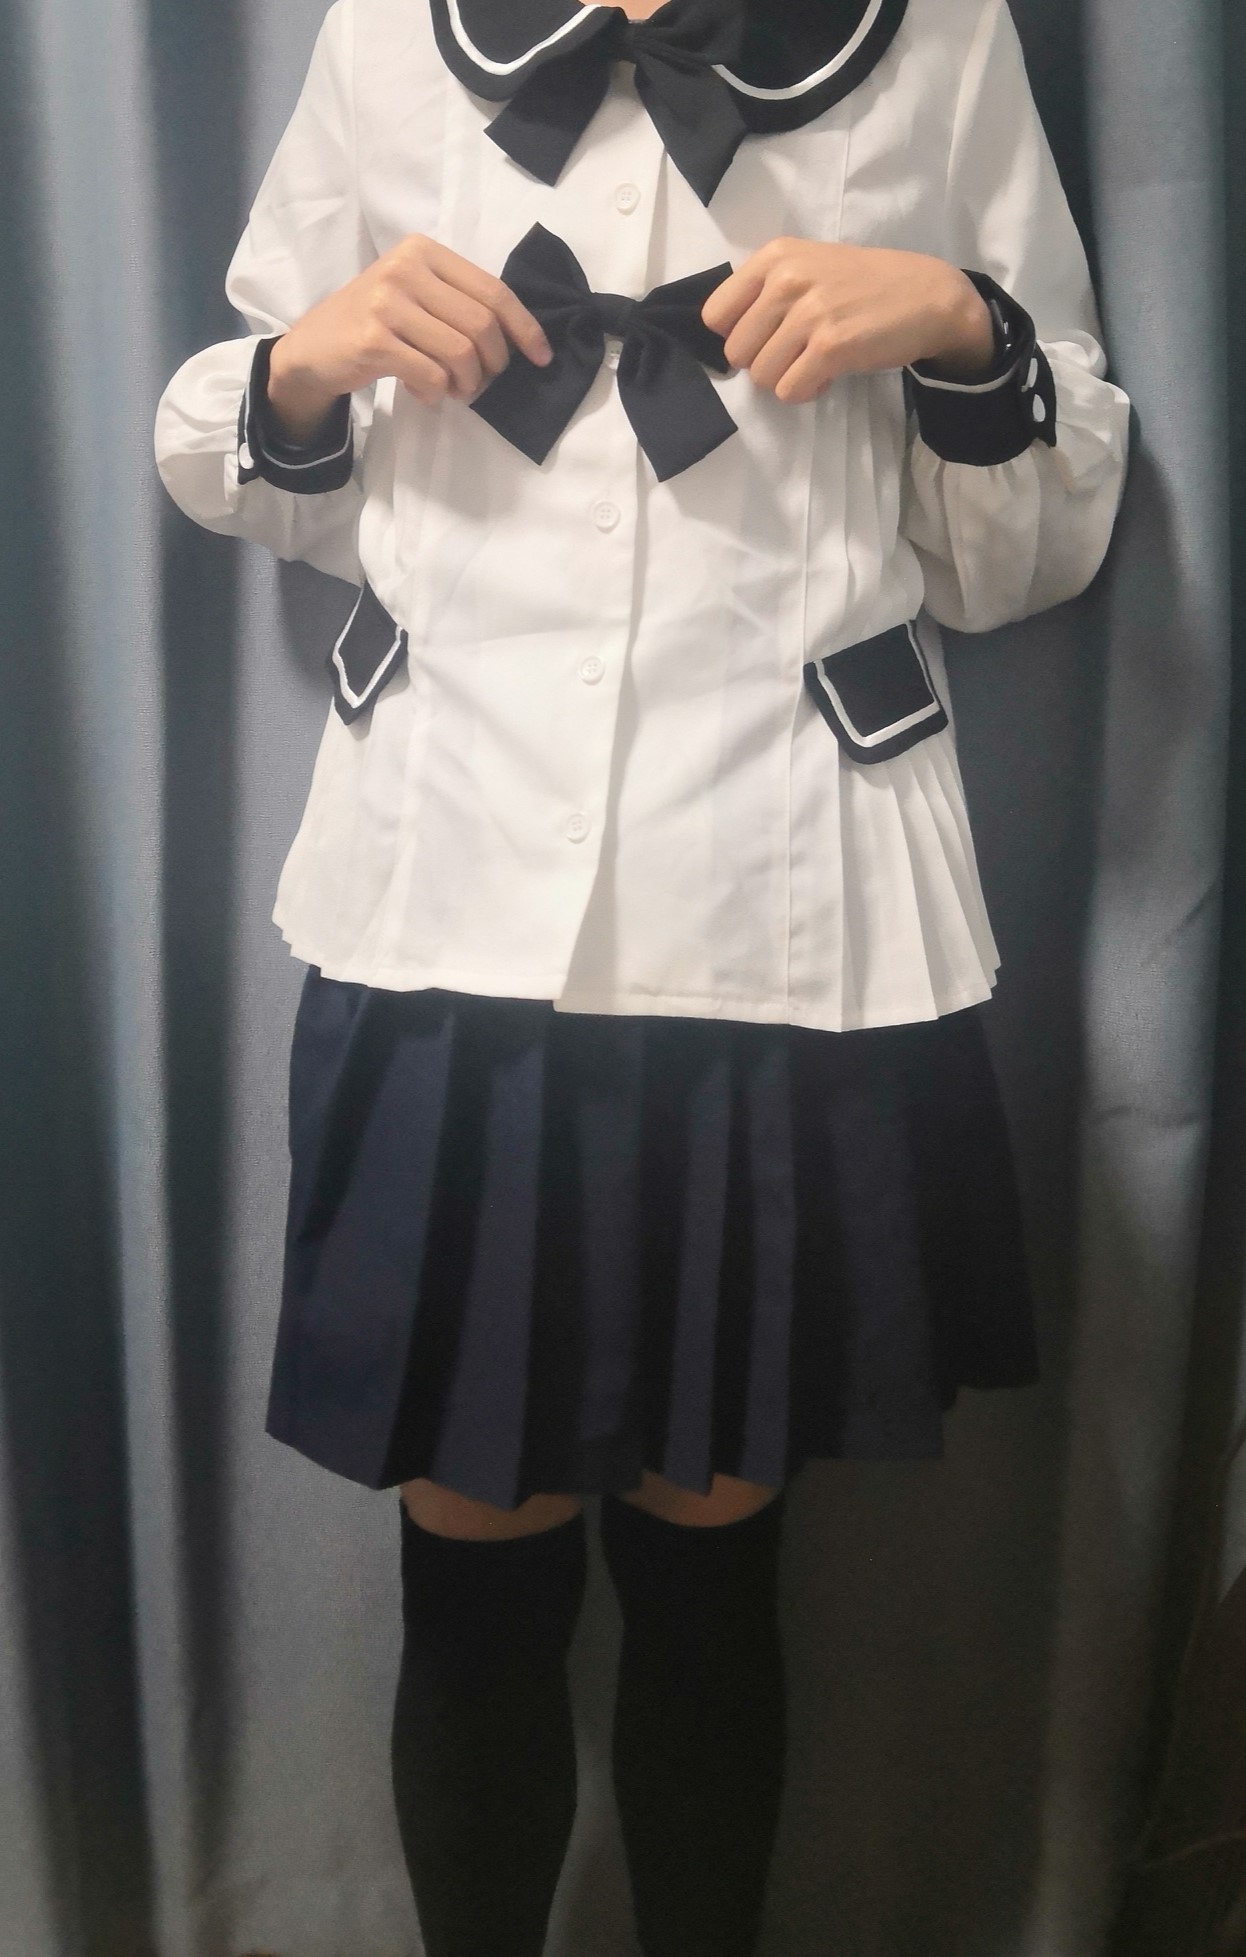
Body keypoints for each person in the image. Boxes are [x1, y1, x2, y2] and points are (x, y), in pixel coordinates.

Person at [154, 0, 1130, 1949]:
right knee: (470, 1581)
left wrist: (961, 325)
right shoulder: (386, 33)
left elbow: (1017, 551)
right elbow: (270, 486)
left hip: (779, 923)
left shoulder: (934, 37)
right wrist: (309, 359)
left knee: (711, 1574)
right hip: (443, 921)